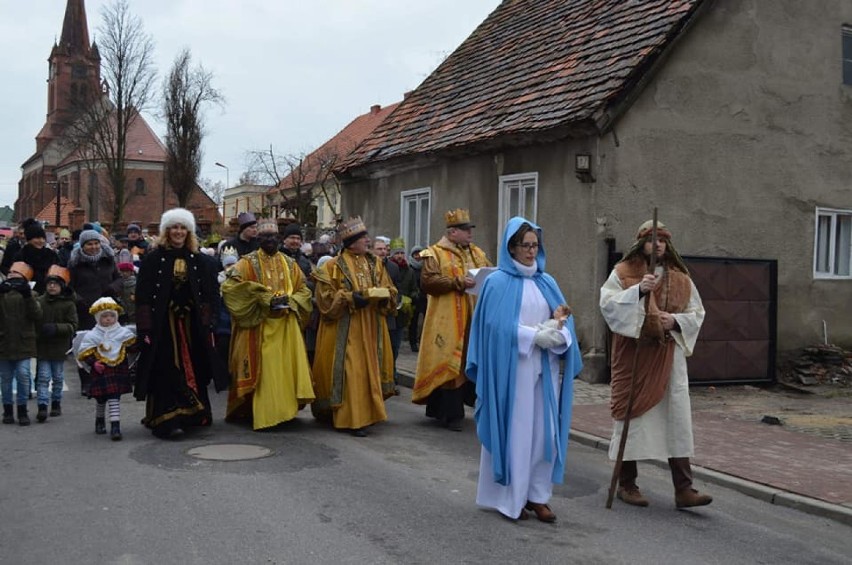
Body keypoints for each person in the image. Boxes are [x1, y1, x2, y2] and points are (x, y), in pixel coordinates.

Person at [466, 217, 583, 522]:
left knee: (545, 434)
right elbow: (493, 328)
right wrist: (533, 336)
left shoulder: (548, 282)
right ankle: (512, 498)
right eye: (525, 245)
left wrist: (559, 333)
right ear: (511, 248)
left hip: (544, 369)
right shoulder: (496, 283)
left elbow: (563, 319)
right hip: (513, 371)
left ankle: (538, 495)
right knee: (518, 433)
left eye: (535, 245)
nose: (532, 251)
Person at [599, 219, 712, 509]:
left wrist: (674, 320)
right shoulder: (623, 273)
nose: (657, 244)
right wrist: (637, 291)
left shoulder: (682, 278)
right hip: (635, 356)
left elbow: (696, 313)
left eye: (662, 239)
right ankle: (627, 484)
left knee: (676, 420)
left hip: (668, 357)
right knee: (632, 419)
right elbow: (608, 306)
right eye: (652, 239)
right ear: (641, 244)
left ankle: (683, 489)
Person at [134, 208, 228, 439]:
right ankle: (169, 418)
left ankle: (194, 413)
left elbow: (211, 295)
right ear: (166, 231)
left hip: (192, 325)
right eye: (174, 227)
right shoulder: (152, 259)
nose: (178, 232)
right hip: (162, 326)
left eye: (182, 227)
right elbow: (143, 296)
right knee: (167, 367)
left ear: (189, 231)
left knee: (195, 366)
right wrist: (144, 329)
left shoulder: (200, 260)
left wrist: (210, 322)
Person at [221, 219, 315, 429]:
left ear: (279, 239)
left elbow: (304, 291)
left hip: (286, 327)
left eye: (273, 236)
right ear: (258, 239)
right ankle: (267, 415)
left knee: (286, 371)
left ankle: (286, 413)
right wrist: (264, 298)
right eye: (265, 237)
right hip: (260, 327)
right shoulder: (247, 262)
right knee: (268, 372)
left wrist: (290, 301)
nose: (270, 240)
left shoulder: (290, 264)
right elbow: (230, 288)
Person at [311, 216, 397, 437]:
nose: (368, 240)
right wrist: (349, 298)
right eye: (363, 237)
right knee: (351, 371)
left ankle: (368, 413)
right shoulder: (332, 266)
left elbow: (390, 288)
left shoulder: (374, 263)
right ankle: (352, 419)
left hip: (370, 327)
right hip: (345, 328)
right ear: (351, 242)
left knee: (368, 371)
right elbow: (324, 300)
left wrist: (385, 296)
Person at [412, 208, 491, 431]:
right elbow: (428, 282)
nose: (470, 234)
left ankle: (463, 405)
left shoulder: (477, 252)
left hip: (473, 317)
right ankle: (449, 413)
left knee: (469, 359)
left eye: (470, 230)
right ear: (452, 232)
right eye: (466, 230)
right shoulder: (434, 253)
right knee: (449, 361)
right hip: (446, 319)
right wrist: (457, 283)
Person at [68, 228, 122, 396]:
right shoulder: (75, 264)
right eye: (89, 244)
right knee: (86, 347)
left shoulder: (109, 259)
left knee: (107, 345)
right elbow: (69, 287)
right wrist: (78, 299)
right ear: (82, 246)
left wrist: (112, 288)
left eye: (96, 243)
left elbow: (119, 279)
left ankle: (106, 379)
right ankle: (86, 381)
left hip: (107, 310)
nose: (93, 247)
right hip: (85, 310)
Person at [76, 298, 136, 440]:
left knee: (114, 397)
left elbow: (131, 347)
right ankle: (99, 420)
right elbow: (85, 352)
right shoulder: (92, 335)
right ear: (98, 318)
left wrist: (141, 344)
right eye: (104, 316)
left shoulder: (123, 333)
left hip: (117, 369)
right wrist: (93, 363)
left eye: (112, 316)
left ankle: (115, 426)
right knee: (101, 399)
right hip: (101, 370)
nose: (108, 319)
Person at [0, 262, 41, 426]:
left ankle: (22, 408)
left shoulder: (32, 294)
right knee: (5, 379)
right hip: (3, 342)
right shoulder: (2, 294)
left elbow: (36, 315)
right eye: (10, 273)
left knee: (23, 375)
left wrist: (27, 296)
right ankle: (8, 409)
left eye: (17, 274)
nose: (12, 276)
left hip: (24, 342)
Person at [35, 265, 78, 421]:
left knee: (58, 377)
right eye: (49, 284)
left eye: (55, 284)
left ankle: (56, 403)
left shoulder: (68, 304)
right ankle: (42, 406)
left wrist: (57, 328)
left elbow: (73, 325)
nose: (52, 286)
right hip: (43, 346)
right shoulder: (39, 302)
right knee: (43, 377)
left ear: (62, 287)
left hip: (59, 347)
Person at [12, 218, 58, 295]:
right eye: (37, 238)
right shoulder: (21, 255)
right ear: (29, 239)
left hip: (48, 295)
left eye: (43, 238)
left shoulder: (51, 255)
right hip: (26, 295)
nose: (41, 241)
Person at [407, 245, 426, 352]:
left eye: (420, 254)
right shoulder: (410, 268)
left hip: (425, 298)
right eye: (415, 254)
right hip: (414, 299)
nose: (418, 256)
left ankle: (423, 341)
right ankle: (413, 343)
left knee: (426, 321)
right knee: (413, 322)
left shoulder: (426, 267)